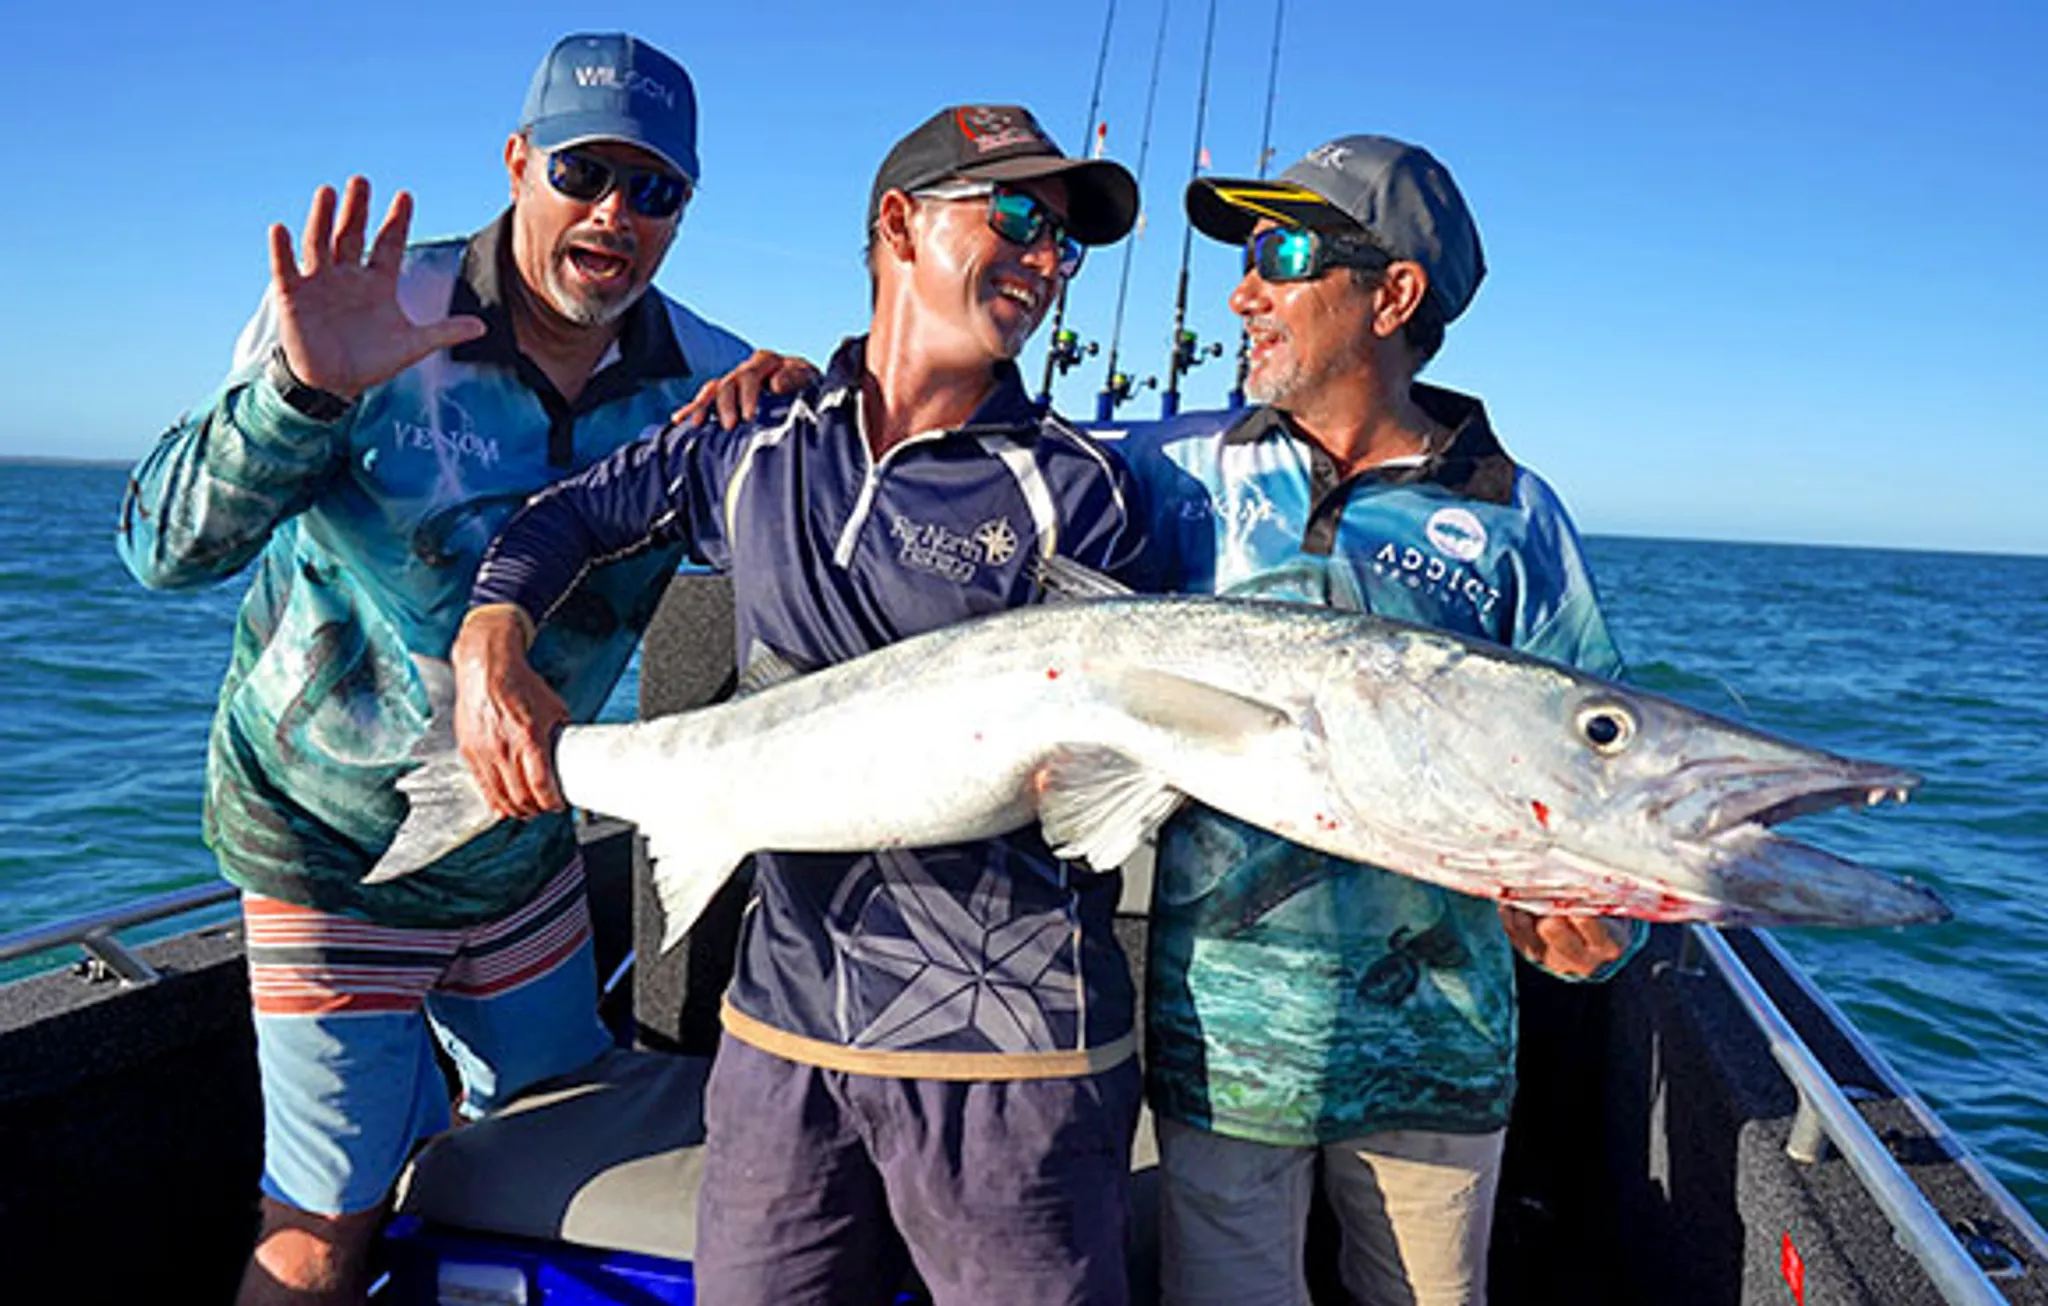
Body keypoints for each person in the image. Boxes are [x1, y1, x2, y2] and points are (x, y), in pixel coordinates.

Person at [115, 32, 781, 1305]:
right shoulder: (372, 311)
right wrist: (299, 392)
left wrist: (801, 403)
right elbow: (159, 547)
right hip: (326, 851)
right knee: (319, 1230)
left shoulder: (702, 382)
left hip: (517, 853)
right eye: (586, 170)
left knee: (544, 1153)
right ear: (519, 161)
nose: (614, 214)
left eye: (656, 192)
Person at [451, 105, 1147, 1305]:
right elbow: (561, 517)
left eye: (1065, 246)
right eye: (1019, 218)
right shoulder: (754, 434)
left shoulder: (1081, 492)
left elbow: (1109, 761)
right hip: (778, 1042)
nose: (1043, 262)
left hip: (1011, 1059)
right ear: (898, 222)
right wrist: (490, 635)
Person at [1120, 135, 1645, 1306]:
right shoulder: (1172, 474)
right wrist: (819, 384)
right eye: (1244, 254)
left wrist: (1599, 927)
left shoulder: (1513, 519)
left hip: (1437, 1059)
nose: (1241, 290)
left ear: (1393, 295)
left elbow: (1608, 767)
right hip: (1224, 1048)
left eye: (1282, 252)